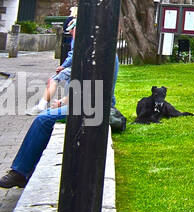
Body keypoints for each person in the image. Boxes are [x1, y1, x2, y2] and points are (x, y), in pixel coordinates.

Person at [0, 51, 117, 190]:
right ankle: (25, 170)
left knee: (44, 119)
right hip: (83, 104)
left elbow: (91, 88)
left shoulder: (101, 51)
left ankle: (20, 172)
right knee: (46, 116)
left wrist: (64, 101)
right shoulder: (95, 49)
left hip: (92, 107)